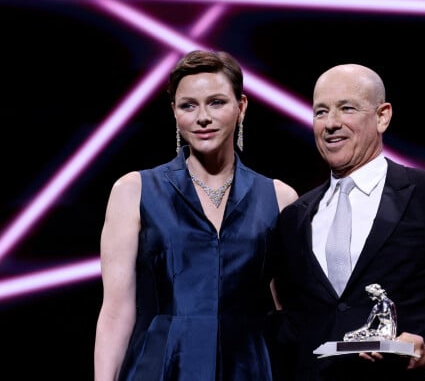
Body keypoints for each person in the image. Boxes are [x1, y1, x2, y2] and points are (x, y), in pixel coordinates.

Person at [266, 63, 425, 381]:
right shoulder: (296, 215)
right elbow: (291, 316)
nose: (331, 124)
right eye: (320, 112)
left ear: (382, 116)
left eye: (346, 108)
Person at [93, 49, 298, 381]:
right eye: (189, 105)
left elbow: (286, 310)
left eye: (217, 102)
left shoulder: (279, 197)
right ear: (174, 112)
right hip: (163, 365)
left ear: (241, 107)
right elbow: (116, 311)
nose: (203, 117)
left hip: (251, 366)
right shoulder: (134, 190)